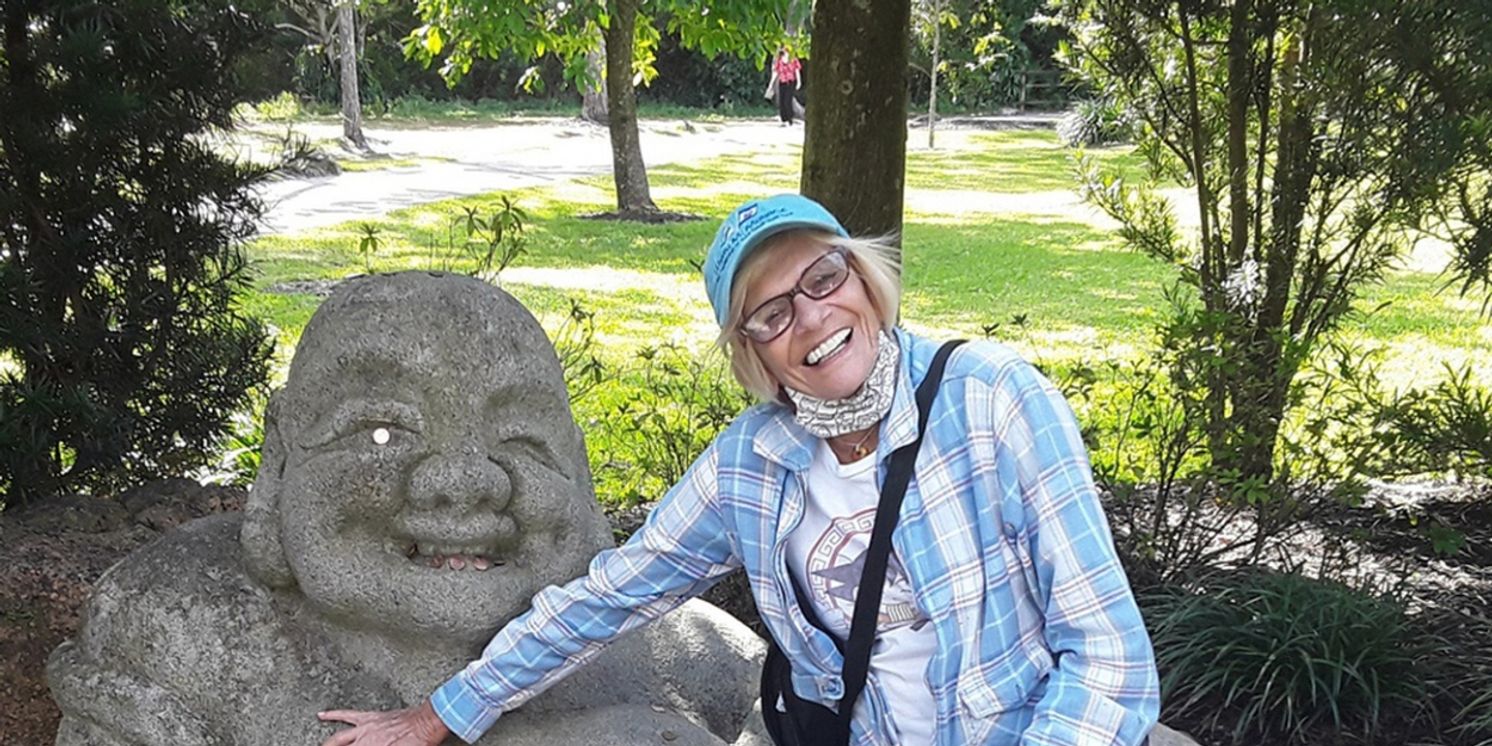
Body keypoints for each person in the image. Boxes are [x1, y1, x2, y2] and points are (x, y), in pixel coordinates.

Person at [320, 194, 1161, 745]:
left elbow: (1108, 657)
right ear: (751, 348)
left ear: (862, 277)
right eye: (772, 311)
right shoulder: (750, 466)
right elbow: (611, 596)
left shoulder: (994, 403)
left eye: (823, 277)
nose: (812, 317)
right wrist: (446, 711)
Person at [766, 47, 802, 126]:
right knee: (782, 101)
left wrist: (799, 82)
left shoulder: (793, 60)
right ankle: (784, 119)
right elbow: (776, 73)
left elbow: (796, 71)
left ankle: (789, 119)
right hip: (782, 82)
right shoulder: (779, 61)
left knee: (787, 101)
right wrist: (771, 84)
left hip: (790, 82)